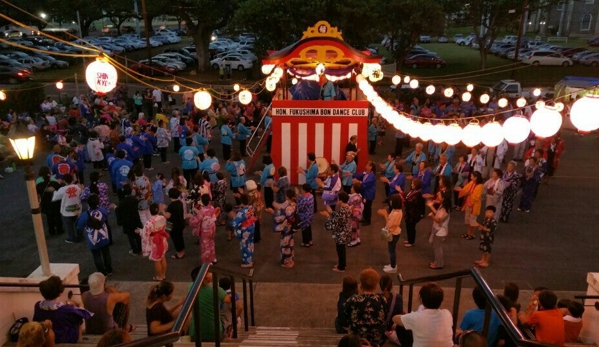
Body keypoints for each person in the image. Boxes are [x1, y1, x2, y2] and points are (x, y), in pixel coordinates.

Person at [33, 276, 92, 344]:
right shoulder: (65, 309)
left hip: (45, 336)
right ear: (59, 293)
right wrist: (80, 304)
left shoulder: (38, 305)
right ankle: (79, 339)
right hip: (65, 338)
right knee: (78, 318)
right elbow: (83, 314)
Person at [392, 282, 453, 347]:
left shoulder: (417, 317)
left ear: (421, 299)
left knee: (401, 327)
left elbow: (394, 318)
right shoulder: (447, 314)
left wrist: (408, 316)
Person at [343, 269, 387, 346]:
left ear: (361, 284)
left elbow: (346, 315)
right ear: (376, 285)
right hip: (377, 339)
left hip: (356, 340)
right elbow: (385, 315)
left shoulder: (353, 299)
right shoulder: (382, 299)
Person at [76, 195, 113, 276]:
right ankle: (109, 269)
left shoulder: (84, 215)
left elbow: (79, 226)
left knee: (96, 255)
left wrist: (78, 216)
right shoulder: (102, 210)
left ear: (88, 204)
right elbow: (106, 216)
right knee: (106, 253)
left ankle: (102, 273)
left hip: (92, 238)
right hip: (104, 235)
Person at [266, 189, 297, 268]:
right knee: (290, 243)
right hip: (291, 227)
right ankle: (291, 260)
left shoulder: (288, 207)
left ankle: (288, 262)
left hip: (287, 228)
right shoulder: (294, 204)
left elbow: (281, 218)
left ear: (287, 196)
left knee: (285, 245)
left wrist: (272, 213)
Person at [321, 192, 352, 272]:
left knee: (340, 250)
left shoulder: (342, 210)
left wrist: (327, 216)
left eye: (338, 199)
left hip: (341, 233)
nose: (336, 201)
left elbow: (334, 223)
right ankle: (342, 264)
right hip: (345, 231)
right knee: (341, 249)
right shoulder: (347, 207)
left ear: (341, 200)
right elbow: (339, 217)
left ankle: (341, 267)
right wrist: (332, 212)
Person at [142, 203, 169, 281]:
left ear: (150, 211)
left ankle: (159, 276)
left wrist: (139, 231)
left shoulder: (148, 223)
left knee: (157, 260)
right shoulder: (162, 218)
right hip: (162, 239)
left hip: (155, 242)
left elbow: (145, 234)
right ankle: (163, 274)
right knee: (163, 257)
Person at [51, 173, 82, 243]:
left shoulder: (62, 189)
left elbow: (54, 198)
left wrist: (54, 191)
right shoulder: (77, 187)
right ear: (72, 180)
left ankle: (71, 238)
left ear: (64, 181)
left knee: (69, 226)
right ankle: (80, 236)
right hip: (77, 209)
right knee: (78, 224)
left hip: (67, 211)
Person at [190, 194, 220, 265]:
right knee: (211, 242)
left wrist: (191, 218)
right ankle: (213, 258)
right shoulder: (212, 208)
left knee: (205, 245)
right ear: (209, 201)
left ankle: (207, 261)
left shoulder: (202, 211)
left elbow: (196, 221)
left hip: (205, 230)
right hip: (212, 227)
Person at [377, 195, 403, 273]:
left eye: (391, 200)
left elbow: (389, 225)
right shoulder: (396, 210)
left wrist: (384, 214)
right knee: (391, 250)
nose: (390, 202)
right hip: (395, 232)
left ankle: (393, 267)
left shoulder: (396, 213)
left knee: (392, 251)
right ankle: (392, 264)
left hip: (394, 234)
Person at [115, 184, 143, 255]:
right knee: (138, 235)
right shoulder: (134, 199)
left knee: (131, 237)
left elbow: (119, 211)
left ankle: (135, 250)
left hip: (127, 222)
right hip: (136, 219)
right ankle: (140, 249)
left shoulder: (122, 202)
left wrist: (115, 208)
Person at [161, 188, 189, 260]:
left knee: (176, 239)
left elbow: (167, 216)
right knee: (180, 237)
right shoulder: (180, 202)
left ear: (170, 196)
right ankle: (182, 251)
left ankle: (179, 253)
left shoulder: (171, 205)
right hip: (180, 223)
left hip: (173, 225)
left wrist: (162, 210)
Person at [36, 166, 63, 236]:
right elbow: (61, 192)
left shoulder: (39, 185)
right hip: (56, 202)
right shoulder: (54, 183)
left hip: (46, 203)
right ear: (49, 174)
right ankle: (60, 230)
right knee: (58, 217)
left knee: (49, 218)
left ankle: (52, 231)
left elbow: (37, 195)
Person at [457, 171, 484, 240]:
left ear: (476, 177)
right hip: (468, 204)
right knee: (467, 220)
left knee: (472, 221)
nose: (470, 177)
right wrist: (462, 191)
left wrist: (467, 193)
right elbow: (465, 189)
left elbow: (476, 197)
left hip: (474, 205)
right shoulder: (472, 182)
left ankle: (472, 234)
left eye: (472, 176)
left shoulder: (480, 186)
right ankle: (468, 233)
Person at [426, 193, 450, 270]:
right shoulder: (442, 206)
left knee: (437, 248)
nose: (438, 196)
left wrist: (431, 216)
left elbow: (438, 220)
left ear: (443, 198)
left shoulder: (445, 209)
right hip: (438, 230)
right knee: (436, 247)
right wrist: (431, 206)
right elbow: (437, 214)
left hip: (440, 231)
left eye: (439, 195)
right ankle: (437, 262)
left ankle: (439, 264)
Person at [232, 193, 257, 268]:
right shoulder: (251, 208)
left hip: (245, 229)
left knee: (245, 245)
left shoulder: (242, 212)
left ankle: (248, 262)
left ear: (241, 202)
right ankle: (250, 258)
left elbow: (235, 222)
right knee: (250, 243)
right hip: (251, 227)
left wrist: (234, 218)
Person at [379, 274, 404, 345]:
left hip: (380, 329)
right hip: (392, 328)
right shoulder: (398, 298)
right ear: (391, 286)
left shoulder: (376, 298)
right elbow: (399, 315)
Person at [403, 178, 425, 247]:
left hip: (413, 214)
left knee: (411, 227)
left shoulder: (418, 194)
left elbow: (412, 203)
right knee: (408, 226)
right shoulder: (413, 191)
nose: (411, 184)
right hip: (409, 213)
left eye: (412, 183)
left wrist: (405, 201)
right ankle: (410, 240)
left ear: (416, 185)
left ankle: (412, 241)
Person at [353, 161, 376, 226]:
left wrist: (358, 182)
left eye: (367, 165)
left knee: (367, 207)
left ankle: (368, 220)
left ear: (371, 167)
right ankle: (365, 218)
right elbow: (360, 175)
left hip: (369, 194)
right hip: (365, 193)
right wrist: (352, 175)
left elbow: (366, 184)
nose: (366, 167)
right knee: (364, 206)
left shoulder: (372, 176)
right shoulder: (366, 173)